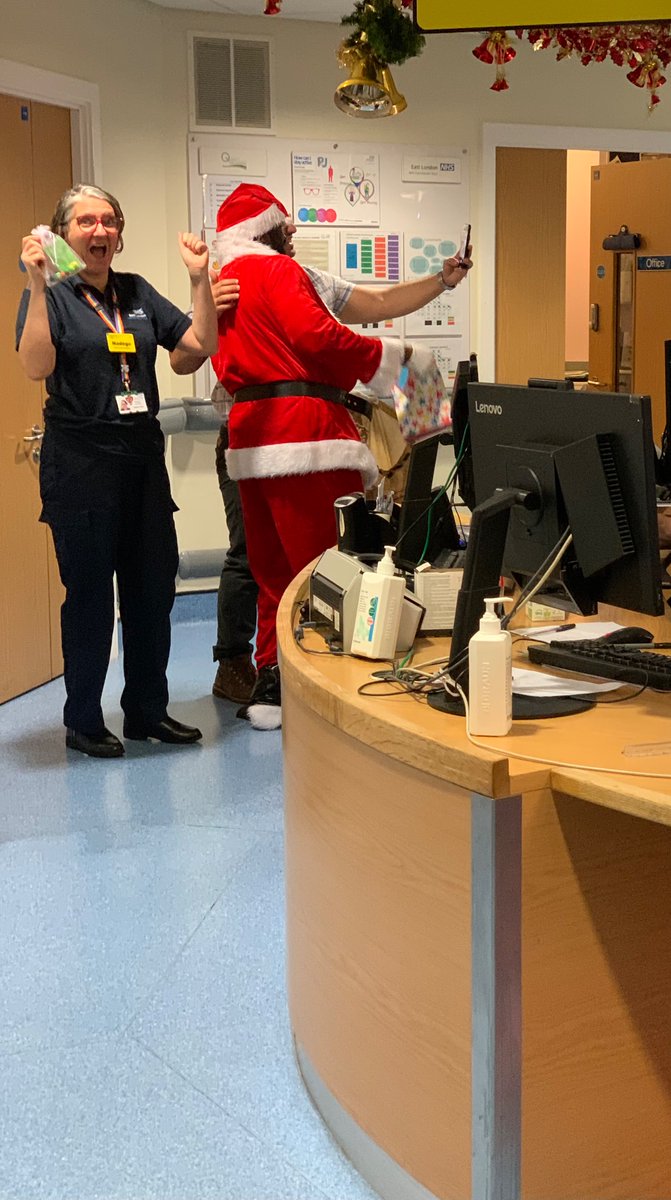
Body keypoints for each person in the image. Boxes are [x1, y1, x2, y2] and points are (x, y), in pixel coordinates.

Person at [172, 211, 472, 708]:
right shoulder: (247, 277)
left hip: (255, 442)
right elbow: (192, 356)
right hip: (300, 437)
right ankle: (286, 677)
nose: (293, 232)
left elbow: (376, 301)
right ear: (261, 229)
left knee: (271, 568)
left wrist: (442, 280)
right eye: (283, 224)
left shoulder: (268, 275)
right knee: (310, 566)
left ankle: (272, 677)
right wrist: (399, 361)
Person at [16, 183, 218, 758]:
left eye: (108, 221)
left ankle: (147, 712)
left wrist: (200, 279)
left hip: (141, 464)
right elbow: (37, 365)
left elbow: (194, 347)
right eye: (85, 222)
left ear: (119, 233)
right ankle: (83, 720)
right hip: (80, 464)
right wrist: (35, 281)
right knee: (90, 600)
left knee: (153, 592)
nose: (99, 231)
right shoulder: (51, 293)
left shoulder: (136, 292)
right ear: (63, 234)